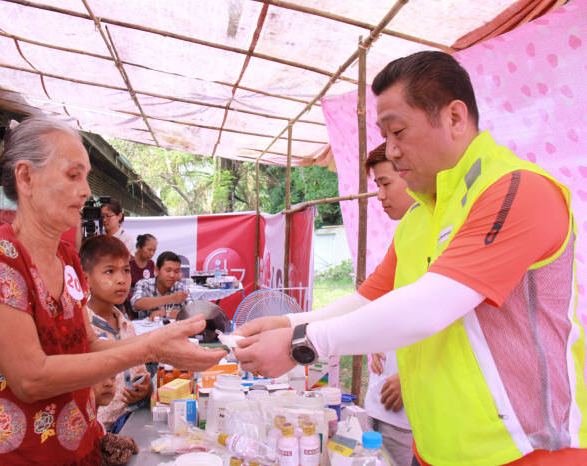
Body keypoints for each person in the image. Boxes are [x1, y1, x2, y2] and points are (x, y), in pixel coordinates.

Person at [234, 51, 586, 465]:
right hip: (436, 447)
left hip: (525, 451)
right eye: (386, 136)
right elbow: (369, 300)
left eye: (398, 131)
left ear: (455, 117)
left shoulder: (516, 191)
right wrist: (288, 322)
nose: (392, 151)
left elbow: (432, 306)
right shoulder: (420, 214)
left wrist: (302, 346)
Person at [0, 116, 225, 464]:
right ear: (26, 177)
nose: (86, 191)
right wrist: (151, 349)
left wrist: (164, 345)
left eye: (85, 176)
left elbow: (87, 344)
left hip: (76, 448)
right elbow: (31, 378)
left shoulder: (66, 258)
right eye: (73, 174)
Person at [363, 143, 414, 466]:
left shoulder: (449, 235)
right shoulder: (406, 234)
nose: (379, 196)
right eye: (377, 186)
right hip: (379, 402)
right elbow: (376, 299)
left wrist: (413, 376)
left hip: (412, 413)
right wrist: (375, 337)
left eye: (385, 184)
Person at [79, 234, 152, 432]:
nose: (121, 280)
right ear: (86, 279)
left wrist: (146, 389)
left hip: (132, 423)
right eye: (109, 271)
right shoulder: (82, 327)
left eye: (126, 271)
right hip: (99, 430)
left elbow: (141, 373)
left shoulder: (127, 326)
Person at [131, 251, 192, 320]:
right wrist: (171, 298)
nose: (172, 275)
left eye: (176, 271)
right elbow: (136, 304)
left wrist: (165, 313)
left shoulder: (180, 287)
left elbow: (192, 311)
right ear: (157, 270)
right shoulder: (144, 284)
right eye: (168, 270)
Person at [125, 233, 157, 313]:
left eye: (154, 250)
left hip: (148, 304)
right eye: (149, 250)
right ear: (139, 247)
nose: (152, 253)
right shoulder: (128, 262)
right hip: (130, 304)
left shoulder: (151, 264)